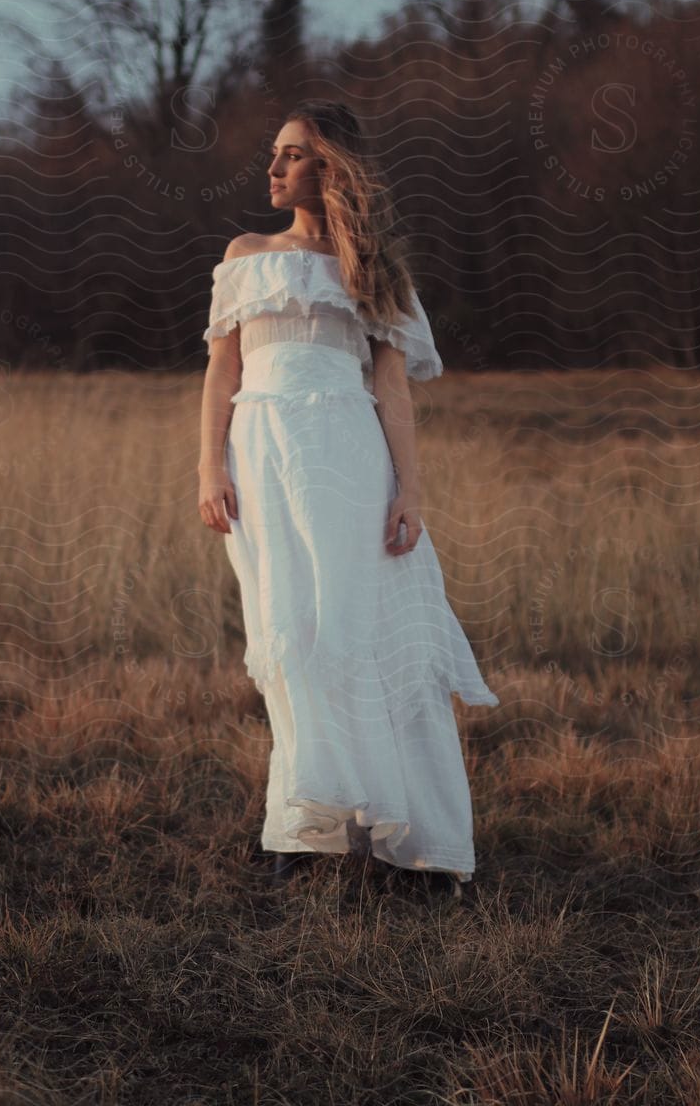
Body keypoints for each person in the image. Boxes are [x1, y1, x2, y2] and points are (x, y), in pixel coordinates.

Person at [195, 99, 501, 901]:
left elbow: (393, 391)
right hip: (259, 456)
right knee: (287, 635)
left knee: (362, 632)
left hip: (348, 455)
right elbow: (221, 375)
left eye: (292, 154)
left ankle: (421, 842)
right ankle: (308, 826)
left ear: (330, 168)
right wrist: (208, 470)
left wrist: (410, 490)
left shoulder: (373, 271)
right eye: (274, 154)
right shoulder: (245, 254)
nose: (273, 168)